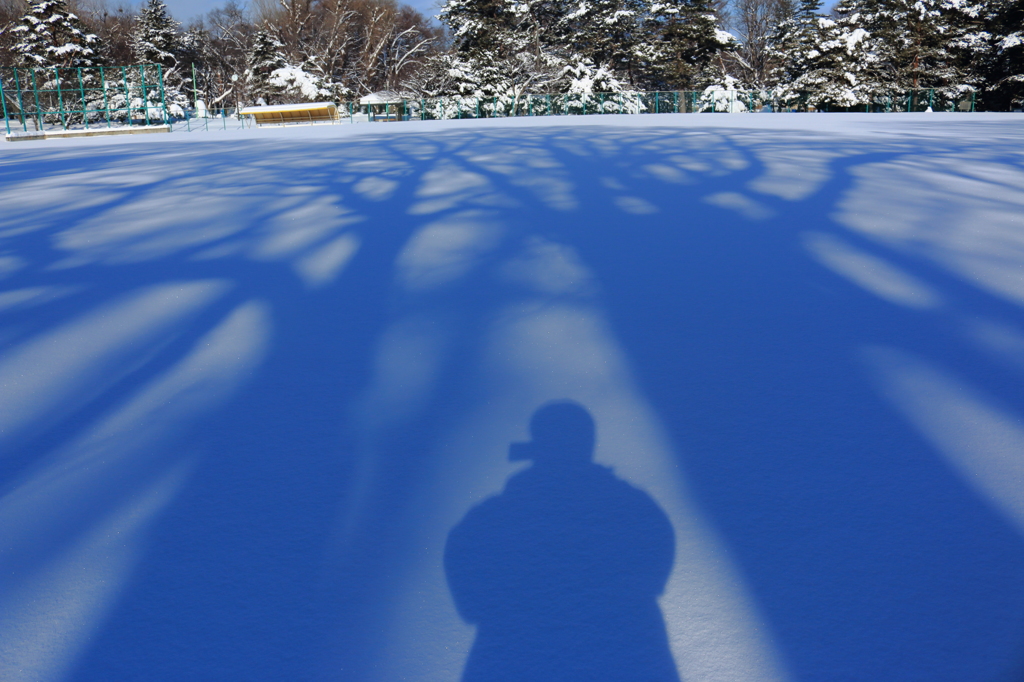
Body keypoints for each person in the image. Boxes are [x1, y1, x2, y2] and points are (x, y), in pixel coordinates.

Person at [445, 400, 680, 681]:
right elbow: (656, 552)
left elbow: (463, 555)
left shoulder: (499, 510)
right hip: (618, 644)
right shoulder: (629, 503)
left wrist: (486, 610)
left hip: (518, 646)